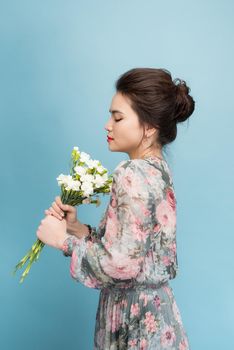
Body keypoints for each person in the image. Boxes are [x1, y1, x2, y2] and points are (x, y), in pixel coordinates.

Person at [36, 67, 195, 349]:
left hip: (135, 322)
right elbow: (133, 247)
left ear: (149, 127)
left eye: (117, 117)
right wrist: (79, 230)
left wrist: (64, 240)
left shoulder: (131, 173)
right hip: (159, 315)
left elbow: (119, 264)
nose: (108, 125)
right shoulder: (159, 171)